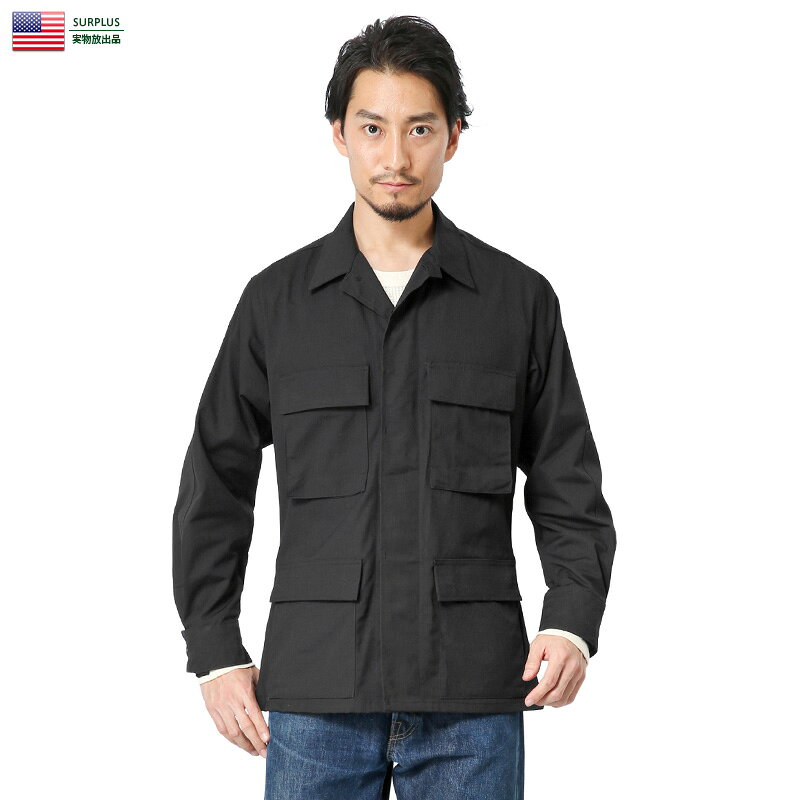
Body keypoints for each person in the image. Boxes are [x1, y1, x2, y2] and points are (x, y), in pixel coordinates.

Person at [172, 14, 617, 799]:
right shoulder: (277, 304)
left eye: (420, 128)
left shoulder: (517, 302)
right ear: (339, 134)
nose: (396, 158)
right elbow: (216, 477)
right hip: (316, 693)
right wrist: (214, 648)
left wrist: (572, 617)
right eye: (373, 128)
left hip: (473, 692)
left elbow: (567, 479)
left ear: (454, 137)